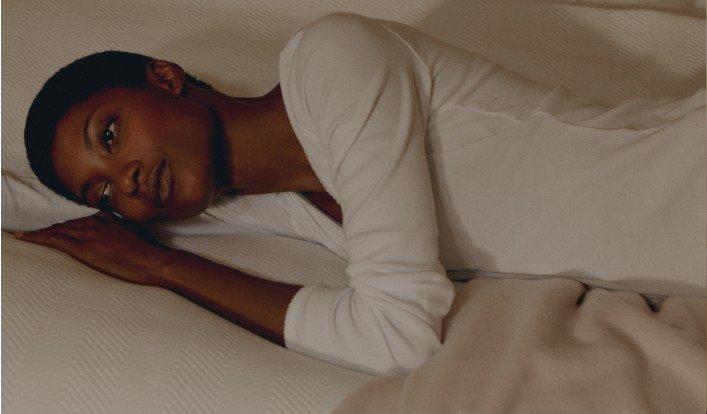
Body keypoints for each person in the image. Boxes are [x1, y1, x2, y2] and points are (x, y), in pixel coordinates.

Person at [16, 12, 704, 375]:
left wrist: (162, 269)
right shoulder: (271, 205)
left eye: (110, 134)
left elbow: (398, 336)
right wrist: (131, 245)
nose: (126, 181)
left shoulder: (333, 61)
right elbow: (28, 205)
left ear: (164, 78)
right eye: (103, 193)